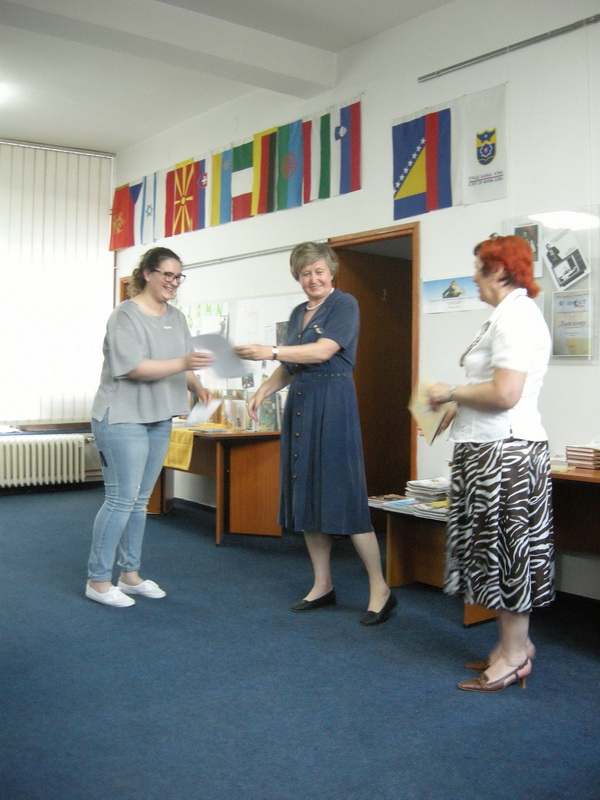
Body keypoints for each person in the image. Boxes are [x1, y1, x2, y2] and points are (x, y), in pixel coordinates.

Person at [235, 242, 396, 625]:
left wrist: (271, 351)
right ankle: (322, 583)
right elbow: (291, 364)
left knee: (346, 496)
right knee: (306, 494)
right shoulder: (297, 313)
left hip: (333, 403)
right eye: (306, 273)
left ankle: (380, 588)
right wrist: (263, 391)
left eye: (319, 271)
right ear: (298, 276)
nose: (313, 279)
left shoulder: (345, 305)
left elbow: (322, 351)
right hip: (302, 404)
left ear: (332, 272)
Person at [427, 234, 554, 692]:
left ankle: (515, 657)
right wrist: (458, 404)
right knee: (493, 553)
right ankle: (510, 647)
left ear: (499, 270)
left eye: (478, 268)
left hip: (505, 454)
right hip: (492, 449)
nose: (473, 277)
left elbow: (505, 393)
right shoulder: (507, 315)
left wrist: (450, 392)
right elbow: (494, 388)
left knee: (507, 555)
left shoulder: (516, 317)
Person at [86, 247, 213, 607]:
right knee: (120, 499)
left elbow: (183, 365)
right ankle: (97, 580)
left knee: (140, 501)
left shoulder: (177, 317)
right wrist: (185, 363)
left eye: (178, 276)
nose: (173, 282)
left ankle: (130, 575)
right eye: (167, 275)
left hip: (160, 416)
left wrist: (198, 386)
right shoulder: (124, 316)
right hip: (121, 416)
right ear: (147, 274)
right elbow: (135, 368)